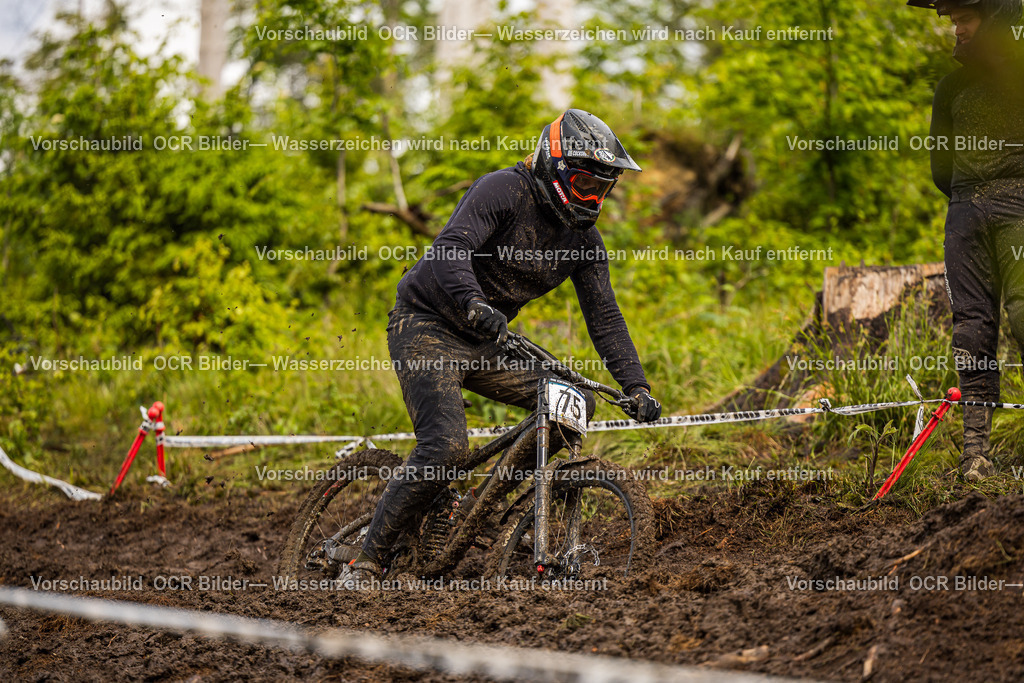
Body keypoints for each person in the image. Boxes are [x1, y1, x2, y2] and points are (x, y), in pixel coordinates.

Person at [339, 109, 663, 586]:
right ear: (554, 166)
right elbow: (451, 249)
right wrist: (473, 302)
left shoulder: (585, 243)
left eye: (601, 189)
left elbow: (605, 317)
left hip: (488, 341)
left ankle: (477, 508)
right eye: (583, 185)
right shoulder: (503, 190)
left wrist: (636, 386)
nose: (592, 198)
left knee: (576, 404)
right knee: (445, 448)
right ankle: (366, 561)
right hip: (427, 325)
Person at [909, 0, 1024, 480]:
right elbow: (940, 168)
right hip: (964, 214)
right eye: (953, 21)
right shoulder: (951, 88)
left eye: (965, 20)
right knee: (971, 328)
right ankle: (975, 453)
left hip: (1018, 207)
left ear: (994, 18)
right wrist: (970, 198)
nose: (957, 30)